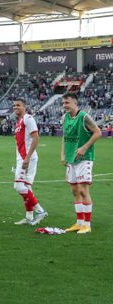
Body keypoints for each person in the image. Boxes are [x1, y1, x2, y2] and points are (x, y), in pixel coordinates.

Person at [60, 92, 101, 234]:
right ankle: (79, 223)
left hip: (84, 158)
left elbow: (97, 132)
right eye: (64, 103)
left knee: (83, 191)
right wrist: (63, 154)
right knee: (75, 191)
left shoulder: (84, 117)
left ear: (75, 103)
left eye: (67, 102)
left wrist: (84, 147)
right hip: (71, 159)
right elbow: (65, 136)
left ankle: (87, 225)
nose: (65, 105)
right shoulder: (65, 117)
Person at [12, 98, 48, 226]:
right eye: (14, 105)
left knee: (18, 186)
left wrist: (27, 158)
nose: (15, 107)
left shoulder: (28, 119)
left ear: (24, 106)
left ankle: (41, 211)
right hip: (22, 158)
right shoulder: (19, 122)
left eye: (18, 105)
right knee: (26, 187)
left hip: (27, 158)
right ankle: (29, 216)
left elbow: (36, 138)